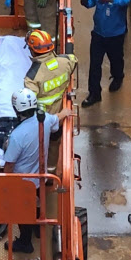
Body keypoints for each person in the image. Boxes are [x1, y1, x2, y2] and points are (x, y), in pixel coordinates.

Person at [3, 88, 74, 253]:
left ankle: (25, 242)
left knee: (22, 211)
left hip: (22, 182)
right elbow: (56, 119)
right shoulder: (44, 120)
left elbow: (9, 166)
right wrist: (65, 112)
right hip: (38, 177)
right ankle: (37, 227)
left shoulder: (17, 136)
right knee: (35, 202)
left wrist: (4, 186)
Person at [79, 0, 131, 107]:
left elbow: (126, 0)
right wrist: (86, 1)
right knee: (95, 64)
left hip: (115, 36)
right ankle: (94, 93)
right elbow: (92, 1)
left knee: (116, 59)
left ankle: (118, 76)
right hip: (98, 34)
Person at [23, 29, 77, 171]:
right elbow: (73, 60)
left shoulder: (32, 77)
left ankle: (39, 172)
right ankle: (51, 171)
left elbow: (27, 104)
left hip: (40, 122)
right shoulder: (64, 63)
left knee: (39, 147)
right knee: (54, 145)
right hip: (58, 118)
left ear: (32, 51)